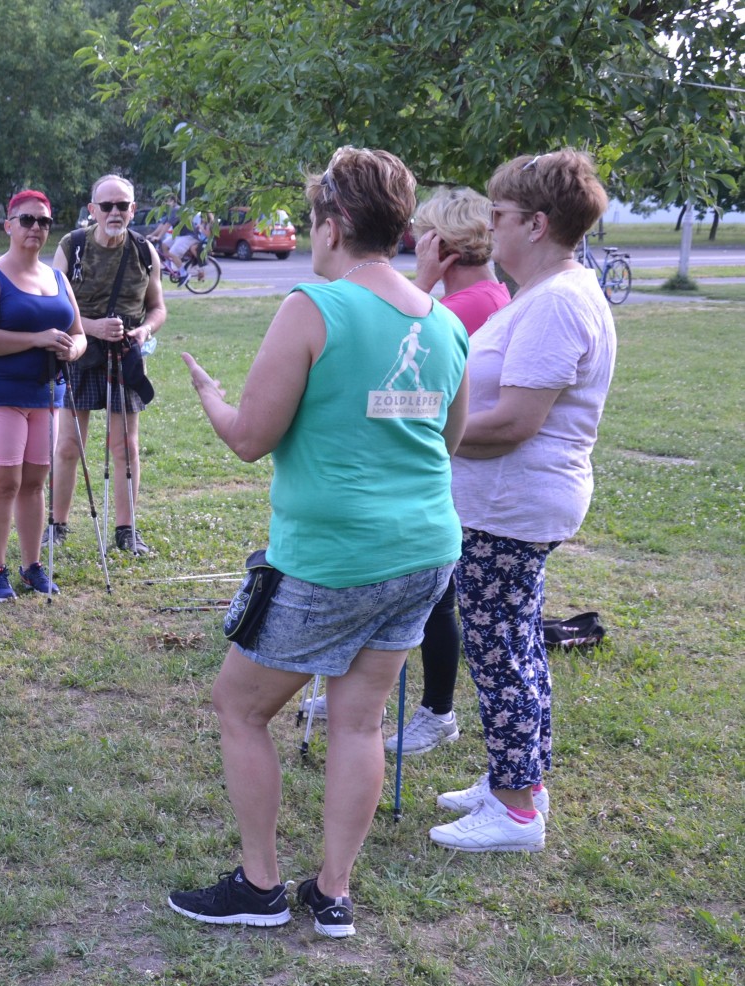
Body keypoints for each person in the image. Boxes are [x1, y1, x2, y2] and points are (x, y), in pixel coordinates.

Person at [170, 147, 469, 939]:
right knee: (359, 720)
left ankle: (261, 885)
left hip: (336, 558)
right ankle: (332, 894)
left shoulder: (316, 305)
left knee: (238, 705)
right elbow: (451, 434)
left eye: (311, 223)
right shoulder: (442, 322)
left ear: (332, 225)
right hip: (425, 550)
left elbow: (249, 437)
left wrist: (211, 397)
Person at [429, 150, 616, 854]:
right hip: (509, 507)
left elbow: (513, 422)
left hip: (511, 510)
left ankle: (513, 812)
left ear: (536, 224)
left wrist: (429, 438)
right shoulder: (547, 294)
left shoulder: (560, 301)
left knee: (498, 651)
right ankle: (517, 780)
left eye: (501, 216)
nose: (492, 228)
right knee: (515, 646)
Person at [305, 186, 512, 756]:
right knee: (422, 596)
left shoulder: (460, 308)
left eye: (424, 232)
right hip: (435, 488)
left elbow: (397, 336)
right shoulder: (485, 295)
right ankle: (363, 695)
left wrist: (417, 280)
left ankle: (433, 710)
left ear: (439, 243)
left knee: (426, 598)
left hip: (423, 485)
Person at [0, 190, 85, 601]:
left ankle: (32, 564)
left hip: (48, 394)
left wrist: (73, 349)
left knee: (36, 482)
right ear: (8, 225)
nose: (36, 228)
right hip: (4, 392)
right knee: (5, 481)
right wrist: (36, 339)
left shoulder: (56, 278)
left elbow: (78, 334)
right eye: (27, 220)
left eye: (43, 221)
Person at [49, 174, 167, 555]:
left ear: (133, 209)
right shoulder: (73, 246)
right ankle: (57, 524)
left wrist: (145, 331)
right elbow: (54, 305)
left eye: (123, 205)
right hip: (81, 353)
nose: (114, 212)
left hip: (124, 355)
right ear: (92, 210)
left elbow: (158, 308)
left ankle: (126, 530)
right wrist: (92, 326)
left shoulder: (145, 252)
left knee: (125, 447)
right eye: (107, 206)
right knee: (69, 444)